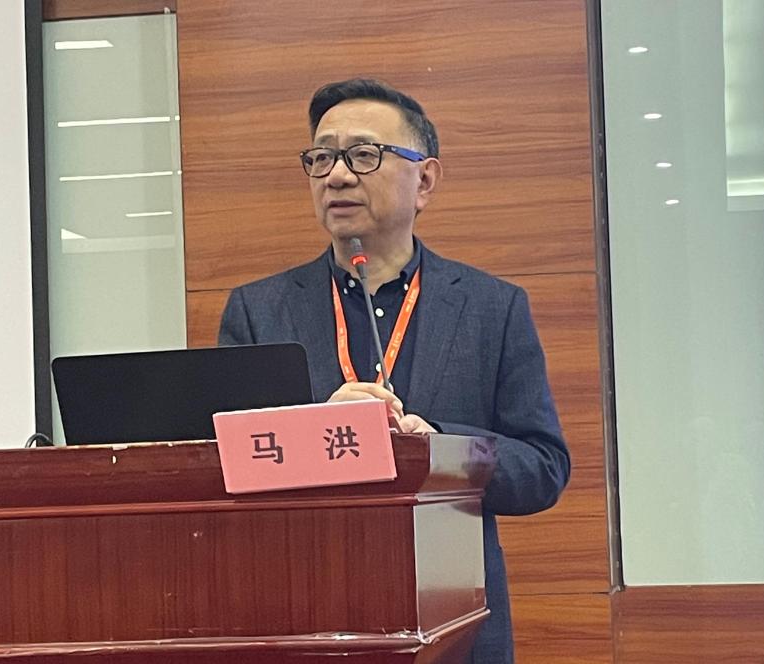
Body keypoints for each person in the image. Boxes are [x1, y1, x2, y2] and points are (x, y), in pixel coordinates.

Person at [218, 78, 570, 664]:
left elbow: (543, 468)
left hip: (454, 627)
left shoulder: (493, 307)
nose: (336, 176)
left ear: (424, 180)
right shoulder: (259, 311)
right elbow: (224, 470)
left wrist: (442, 449)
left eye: (363, 155)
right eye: (321, 158)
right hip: (305, 621)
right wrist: (316, 432)